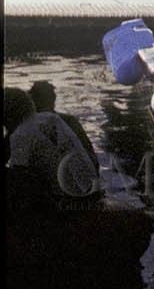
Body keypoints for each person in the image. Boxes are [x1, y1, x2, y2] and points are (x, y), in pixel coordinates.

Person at [5, 87, 100, 215]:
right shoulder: (49, 118)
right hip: (91, 193)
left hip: (67, 204)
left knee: (14, 177)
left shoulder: (20, 135)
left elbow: (19, 177)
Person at [27, 80, 99, 174]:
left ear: (32, 101)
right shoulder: (69, 121)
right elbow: (90, 155)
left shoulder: (26, 125)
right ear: (53, 99)